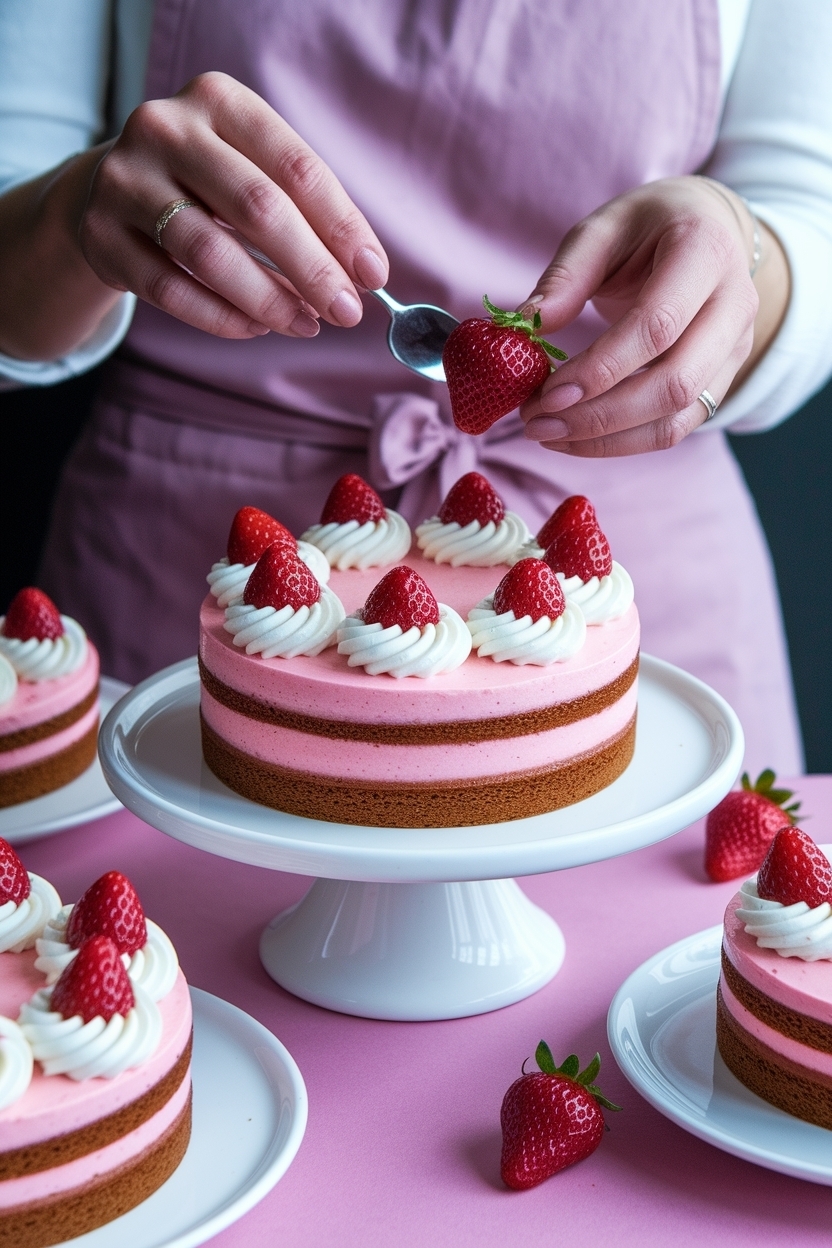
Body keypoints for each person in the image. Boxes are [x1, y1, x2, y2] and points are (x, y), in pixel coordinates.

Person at [1, 0, 831, 776]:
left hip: (630, 561)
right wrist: (80, 205)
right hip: (194, 565)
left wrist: (739, 246)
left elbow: (811, 212)